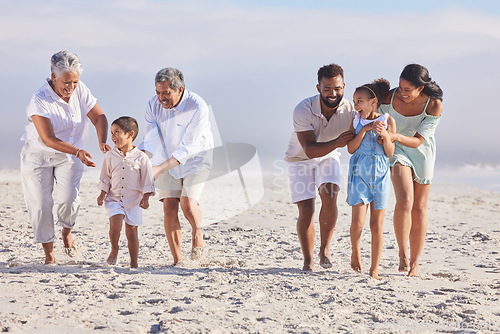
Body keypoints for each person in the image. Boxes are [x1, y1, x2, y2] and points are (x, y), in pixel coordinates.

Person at [20, 50, 111, 264]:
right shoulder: (39, 99)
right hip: (38, 156)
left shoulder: (81, 91)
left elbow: (99, 116)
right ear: (54, 77)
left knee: (69, 199)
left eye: (75, 82)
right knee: (41, 205)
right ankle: (49, 255)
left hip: (69, 157)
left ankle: (66, 232)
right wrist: (78, 152)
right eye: (66, 83)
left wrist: (101, 141)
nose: (70, 88)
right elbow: (48, 138)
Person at [284, 63, 356, 271]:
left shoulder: (351, 111)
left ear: (344, 86)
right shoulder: (303, 109)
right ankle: (308, 260)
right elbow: (309, 150)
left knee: (330, 193)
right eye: (327, 89)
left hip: (329, 156)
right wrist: (337, 142)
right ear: (318, 88)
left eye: (338, 88)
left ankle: (324, 249)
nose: (333, 94)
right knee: (306, 209)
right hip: (299, 158)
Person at [139, 67, 214, 265]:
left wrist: (157, 170)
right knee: (169, 207)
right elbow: (150, 140)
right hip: (164, 157)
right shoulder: (152, 105)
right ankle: (178, 260)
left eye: (166, 93)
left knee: (187, 204)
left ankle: (197, 231)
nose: (161, 98)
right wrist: (144, 166)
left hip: (196, 157)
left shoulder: (197, 106)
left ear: (179, 90)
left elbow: (186, 148)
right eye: (158, 92)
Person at [379, 64, 443, 277]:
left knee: (419, 207)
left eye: (407, 90)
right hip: (396, 150)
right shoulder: (389, 98)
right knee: (405, 200)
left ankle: (415, 264)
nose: (402, 93)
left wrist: (395, 135)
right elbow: (373, 115)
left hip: (421, 150)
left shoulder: (433, 105)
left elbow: (418, 141)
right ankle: (402, 252)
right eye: (400, 87)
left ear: (420, 89)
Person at [346, 79, 396, 280]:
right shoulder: (357, 121)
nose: (356, 106)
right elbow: (350, 149)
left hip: (381, 176)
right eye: (354, 102)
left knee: (377, 225)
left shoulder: (388, 120)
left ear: (373, 101)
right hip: (360, 176)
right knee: (357, 224)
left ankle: (374, 268)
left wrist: (384, 134)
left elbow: (390, 153)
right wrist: (366, 129)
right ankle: (355, 251)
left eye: (359, 101)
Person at [97, 117, 155, 268]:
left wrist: (146, 197)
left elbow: (148, 180)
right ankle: (114, 248)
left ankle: (134, 263)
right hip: (114, 198)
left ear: (130, 134)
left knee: (132, 232)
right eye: (111, 133)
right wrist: (102, 194)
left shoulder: (141, 157)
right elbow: (105, 177)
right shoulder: (110, 156)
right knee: (115, 224)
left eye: (117, 132)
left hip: (133, 201)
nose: (113, 136)